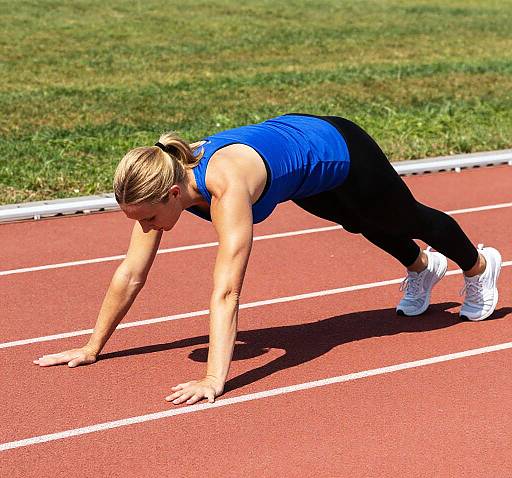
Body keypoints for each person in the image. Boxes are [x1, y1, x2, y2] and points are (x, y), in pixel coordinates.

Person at [33, 113, 502, 405]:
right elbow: (131, 272)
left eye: (150, 218)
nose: (146, 228)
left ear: (175, 193)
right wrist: (93, 346)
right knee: (357, 223)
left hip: (337, 148)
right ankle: (423, 269)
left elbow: (228, 289)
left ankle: (479, 267)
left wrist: (215, 378)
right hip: (301, 171)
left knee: (405, 219)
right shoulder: (165, 191)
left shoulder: (226, 187)